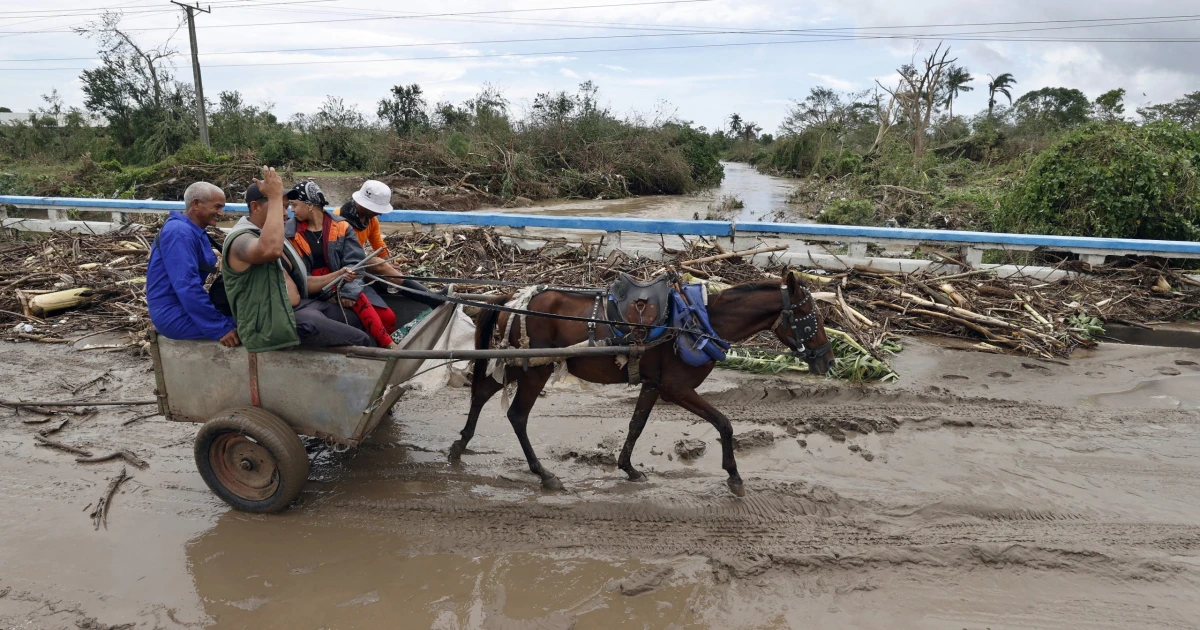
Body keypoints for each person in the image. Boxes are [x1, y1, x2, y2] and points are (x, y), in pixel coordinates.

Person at [222, 166, 374, 352]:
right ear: (255, 207)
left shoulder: (274, 238)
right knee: (360, 339)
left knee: (354, 320)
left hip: (298, 306)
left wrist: (339, 274)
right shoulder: (241, 239)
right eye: (280, 206)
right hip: (271, 320)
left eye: (286, 206)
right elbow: (269, 250)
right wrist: (275, 196)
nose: (286, 213)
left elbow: (304, 282)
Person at [285, 180, 399, 349]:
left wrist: (348, 292)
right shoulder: (289, 233)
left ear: (309, 205)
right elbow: (298, 277)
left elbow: (355, 262)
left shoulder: (341, 227)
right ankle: (387, 345)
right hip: (312, 286)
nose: (291, 210)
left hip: (341, 282)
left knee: (386, 316)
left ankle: (386, 345)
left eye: (294, 205)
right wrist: (328, 291)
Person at [147, 181, 240, 347]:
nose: (221, 213)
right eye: (217, 207)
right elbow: (187, 285)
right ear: (196, 204)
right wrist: (220, 327)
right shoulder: (178, 232)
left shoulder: (194, 230)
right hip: (173, 314)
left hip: (184, 305)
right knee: (249, 325)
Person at [335, 180, 404, 279]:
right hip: (342, 266)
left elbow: (379, 245)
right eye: (377, 209)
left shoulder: (371, 220)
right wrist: (381, 265)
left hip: (358, 262)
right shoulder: (337, 219)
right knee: (377, 263)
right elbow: (334, 254)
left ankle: (407, 283)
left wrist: (389, 263)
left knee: (386, 271)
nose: (380, 213)